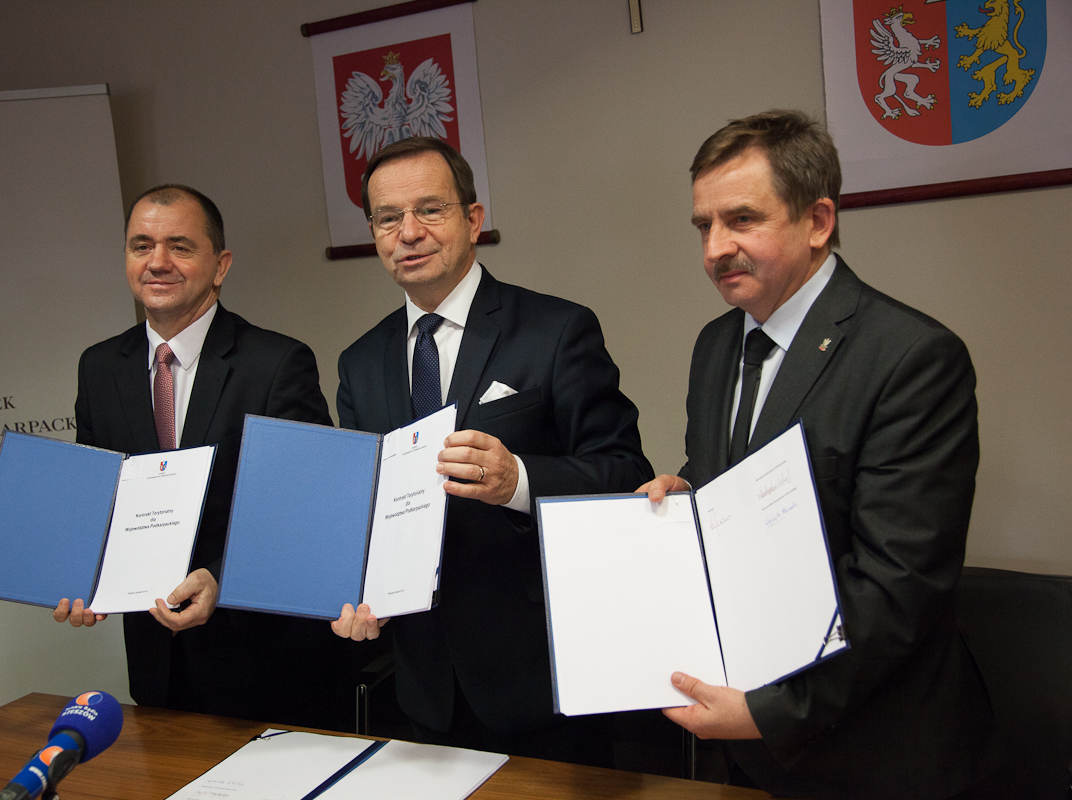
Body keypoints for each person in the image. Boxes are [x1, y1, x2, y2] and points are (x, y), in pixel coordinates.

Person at [640, 111, 994, 798]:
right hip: (746, 750)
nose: (715, 248)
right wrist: (688, 499)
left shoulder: (913, 358)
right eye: (703, 226)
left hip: (872, 753)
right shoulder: (716, 345)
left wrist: (770, 712)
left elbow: (899, 585)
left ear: (818, 221)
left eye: (742, 220)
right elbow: (738, 488)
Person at [331, 137, 653, 764]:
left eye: (431, 209)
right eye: (388, 217)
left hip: (542, 681)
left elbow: (625, 474)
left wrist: (519, 481)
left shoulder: (557, 330)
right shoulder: (360, 362)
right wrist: (356, 589)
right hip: (424, 687)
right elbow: (365, 512)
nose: (409, 232)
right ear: (373, 234)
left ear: (473, 219)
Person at [54, 184, 361, 727]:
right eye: (141, 245)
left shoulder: (276, 363)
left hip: (266, 662)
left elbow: (308, 512)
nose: (158, 262)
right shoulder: (99, 367)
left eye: (180, 246)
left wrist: (221, 577)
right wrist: (84, 574)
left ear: (220, 265)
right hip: (157, 661)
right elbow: (98, 499)